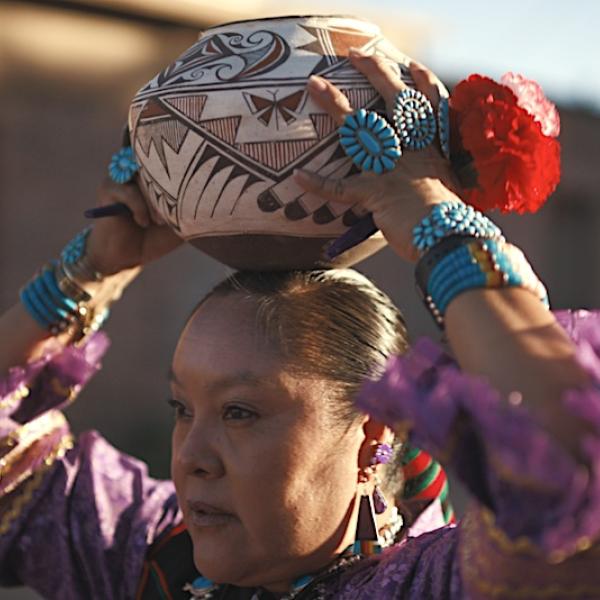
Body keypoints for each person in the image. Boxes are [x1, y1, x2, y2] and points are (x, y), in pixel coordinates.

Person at [1, 50, 599, 600]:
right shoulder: (144, 553)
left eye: (239, 411)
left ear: (371, 438)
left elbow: (572, 464)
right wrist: (91, 269)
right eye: (182, 408)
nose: (191, 459)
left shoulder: (436, 586)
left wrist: (433, 220)